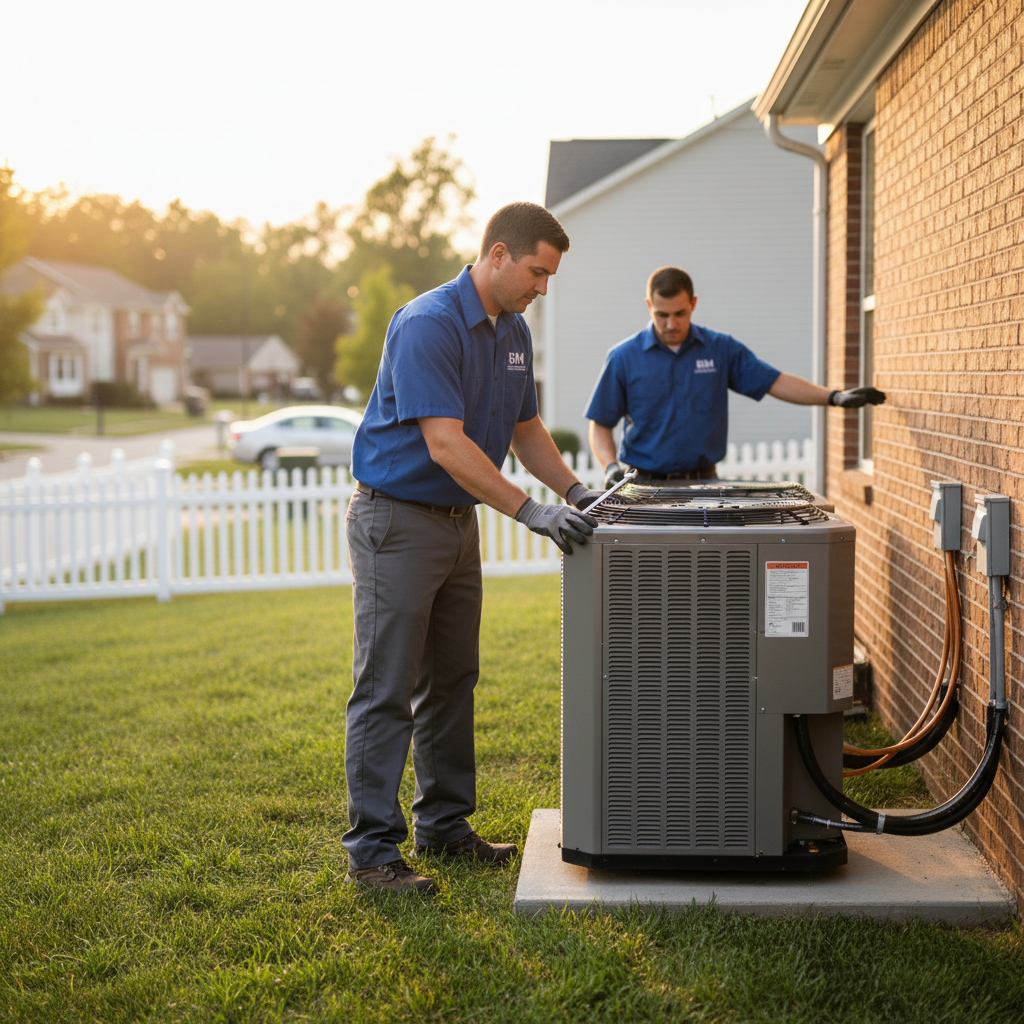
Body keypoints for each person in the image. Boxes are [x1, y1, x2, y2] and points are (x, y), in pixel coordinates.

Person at [343, 202, 603, 893]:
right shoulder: (428, 324)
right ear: (496, 255)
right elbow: (446, 443)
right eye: (536, 272)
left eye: (549, 277)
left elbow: (525, 429)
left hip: (458, 525)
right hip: (397, 523)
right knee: (386, 688)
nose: (542, 288)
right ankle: (372, 854)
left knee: (453, 681)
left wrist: (577, 493)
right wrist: (530, 511)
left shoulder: (511, 332)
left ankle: (445, 827)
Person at [586, 266, 886, 486]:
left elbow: (775, 381)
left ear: (693, 304)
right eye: (661, 314)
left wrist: (835, 397)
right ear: (649, 306)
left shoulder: (720, 349)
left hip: (705, 484)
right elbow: (600, 424)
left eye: (680, 313)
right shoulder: (623, 357)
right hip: (643, 485)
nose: (670, 324)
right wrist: (610, 467)